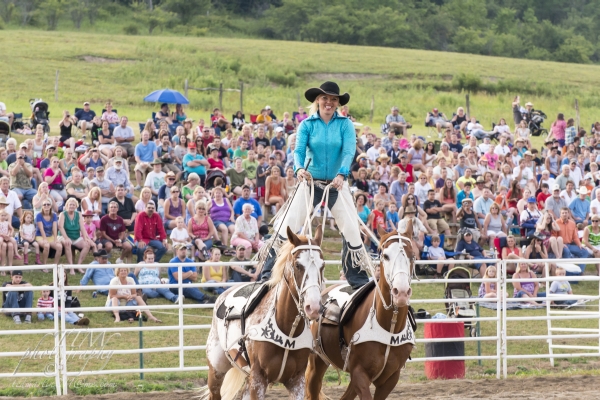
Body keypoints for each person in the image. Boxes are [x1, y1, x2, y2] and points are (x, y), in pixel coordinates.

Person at [58, 198, 91, 270]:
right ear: (67, 205)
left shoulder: (78, 214)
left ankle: (78, 265)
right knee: (68, 243)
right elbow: (60, 227)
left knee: (87, 245)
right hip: (63, 236)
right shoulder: (63, 214)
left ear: (76, 206)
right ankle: (71, 267)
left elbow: (82, 227)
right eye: (70, 204)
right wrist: (66, 238)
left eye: (73, 205)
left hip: (75, 236)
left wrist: (85, 238)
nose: (72, 206)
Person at [35, 198, 63, 267]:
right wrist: (45, 239)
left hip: (50, 236)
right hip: (40, 236)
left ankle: (55, 265)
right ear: (42, 206)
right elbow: (41, 229)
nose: (46, 206)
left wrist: (55, 239)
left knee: (59, 246)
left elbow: (54, 228)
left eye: (48, 204)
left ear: (51, 206)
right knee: (46, 246)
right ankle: (44, 265)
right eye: (44, 204)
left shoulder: (54, 215)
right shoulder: (39, 215)